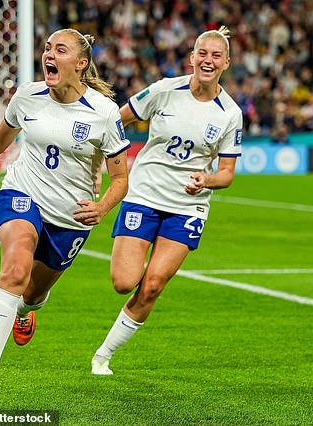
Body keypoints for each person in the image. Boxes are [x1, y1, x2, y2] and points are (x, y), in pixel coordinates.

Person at [0, 28, 130, 400]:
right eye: (47, 48)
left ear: (81, 63)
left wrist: (103, 206)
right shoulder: (28, 95)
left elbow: (120, 177)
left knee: (34, 292)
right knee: (14, 269)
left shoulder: (103, 113)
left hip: (70, 218)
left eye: (60, 50)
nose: (49, 55)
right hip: (22, 195)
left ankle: (25, 311)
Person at [90, 26, 242, 375]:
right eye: (202, 53)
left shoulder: (229, 113)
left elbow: (227, 174)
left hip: (188, 207)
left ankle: (103, 356)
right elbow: (117, 119)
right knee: (124, 282)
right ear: (192, 57)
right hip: (143, 195)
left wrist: (208, 179)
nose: (208, 60)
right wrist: (101, 159)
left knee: (154, 284)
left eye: (216, 55)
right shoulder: (164, 90)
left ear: (226, 63)